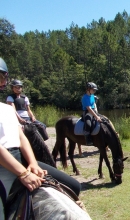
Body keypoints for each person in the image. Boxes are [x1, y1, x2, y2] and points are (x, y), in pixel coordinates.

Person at [0, 57, 81, 219]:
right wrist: (23, 174)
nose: (2, 81)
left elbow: (21, 137)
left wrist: (32, 163)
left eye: (3, 77)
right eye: (0, 77)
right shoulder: (11, 104)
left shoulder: (6, 109)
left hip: (21, 158)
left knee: (74, 185)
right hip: (3, 165)